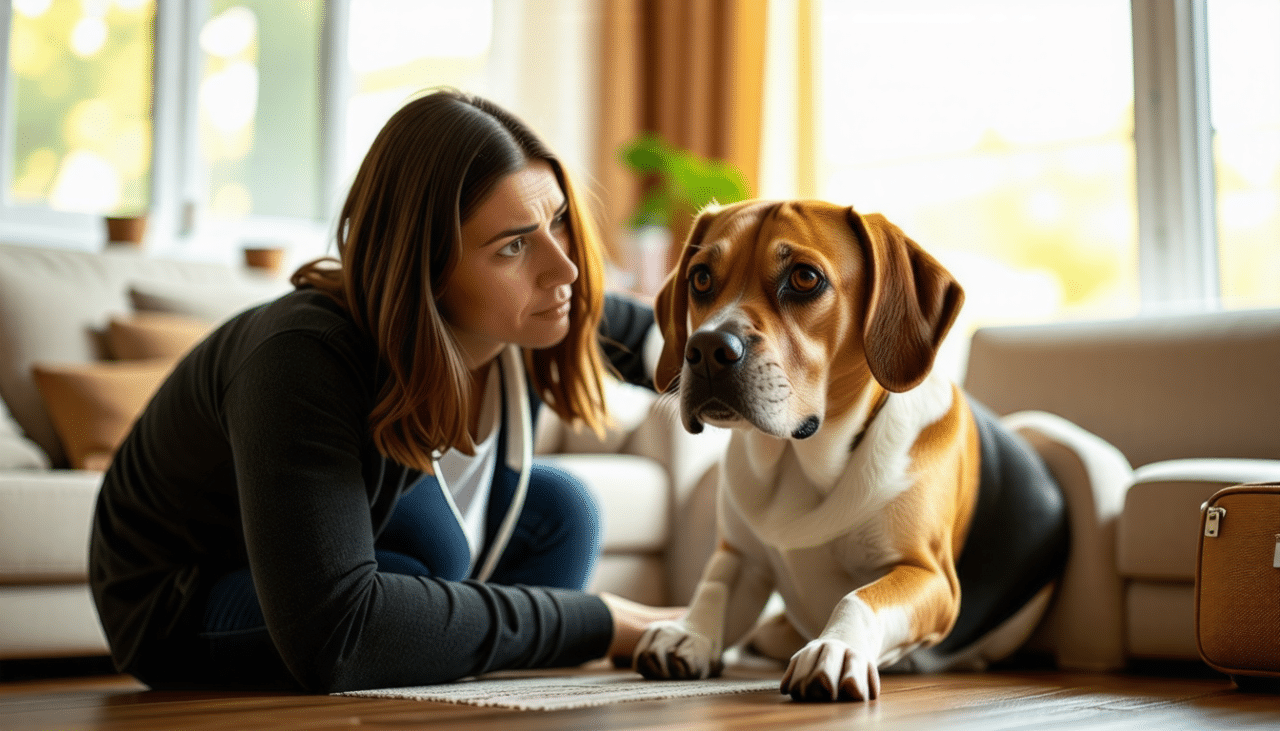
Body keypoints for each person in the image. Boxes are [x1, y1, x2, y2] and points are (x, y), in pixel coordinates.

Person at [89, 89, 676, 693]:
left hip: (348, 569)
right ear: (428, 264)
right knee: (429, 554)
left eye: (558, 221)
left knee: (562, 511)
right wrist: (600, 623)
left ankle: (457, 654)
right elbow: (337, 633)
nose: (566, 268)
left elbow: (668, 345)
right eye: (514, 245)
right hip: (185, 599)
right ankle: (439, 642)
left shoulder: (544, 302)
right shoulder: (301, 355)